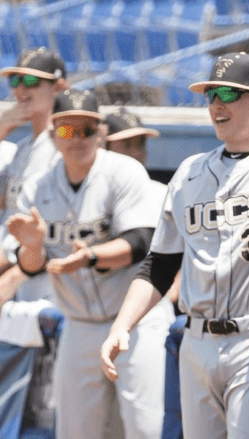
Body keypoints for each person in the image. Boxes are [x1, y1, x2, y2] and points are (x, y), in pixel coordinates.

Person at [99, 8, 249, 438]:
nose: (216, 104)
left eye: (230, 95)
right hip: (195, 342)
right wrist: (122, 325)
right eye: (211, 95)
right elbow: (159, 264)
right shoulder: (189, 171)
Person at [5, 89, 175, 439]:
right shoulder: (37, 188)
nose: (77, 138)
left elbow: (140, 242)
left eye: (86, 129)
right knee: (76, 432)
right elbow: (31, 265)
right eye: (67, 130)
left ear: (100, 133)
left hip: (136, 322)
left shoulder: (123, 172)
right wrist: (34, 246)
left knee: (145, 430)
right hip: (79, 323)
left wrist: (92, 256)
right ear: (53, 134)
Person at [0, 47, 67, 307]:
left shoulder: (64, 148)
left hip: (45, 291)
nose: (20, 90)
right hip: (16, 288)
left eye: (31, 81)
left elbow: (58, 229)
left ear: (57, 86)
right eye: (15, 81)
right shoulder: (22, 148)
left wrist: (13, 276)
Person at [102, 108, 181, 308]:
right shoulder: (89, 194)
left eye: (140, 144)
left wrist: (176, 285)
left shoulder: (164, 193)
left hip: (148, 307)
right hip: (95, 307)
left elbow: (185, 246)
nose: (136, 152)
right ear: (104, 147)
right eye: (127, 145)